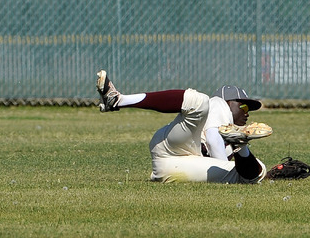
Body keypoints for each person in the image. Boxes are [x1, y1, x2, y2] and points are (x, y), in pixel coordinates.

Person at [95, 70, 272, 184]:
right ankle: (119, 100)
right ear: (228, 102)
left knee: (258, 171)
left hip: (171, 167)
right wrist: (223, 167)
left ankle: (242, 145)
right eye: (244, 106)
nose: (247, 113)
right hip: (175, 146)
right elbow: (212, 136)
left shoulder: (229, 137)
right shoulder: (218, 104)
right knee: (199, 101)